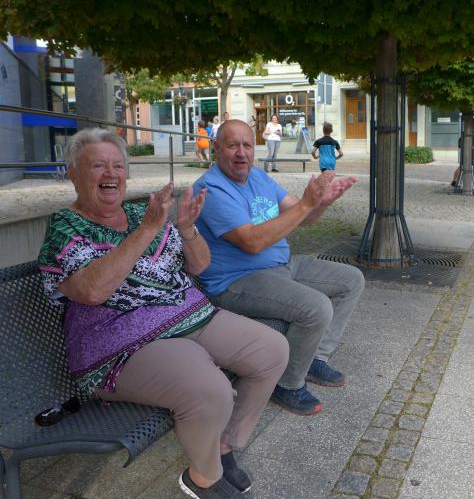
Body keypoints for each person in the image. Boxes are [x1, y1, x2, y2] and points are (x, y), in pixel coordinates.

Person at [37, 128, 290, 499]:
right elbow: (93, 291)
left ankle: (222, 447)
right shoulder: (66, 226)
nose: (111, 174)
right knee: (211, 390)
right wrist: (146, 230)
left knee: (272, 351)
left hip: (187, 314)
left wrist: (186, 229)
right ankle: (203, 478)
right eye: (98, 166)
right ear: (73, 173)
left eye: (118, 166)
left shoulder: (140, 212)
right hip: (121, 343)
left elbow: (199, 265)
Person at [193, 120, 365, 416]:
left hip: (282, 264)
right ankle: (287, 383)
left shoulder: (259, 177)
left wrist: (320, 203)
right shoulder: (211, 189)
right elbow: (252, 242)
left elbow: (303, 217)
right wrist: (306, 204)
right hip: (237, 280)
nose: (241, 153)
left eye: (247, 145)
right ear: (217, 149)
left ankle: (313, 359)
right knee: (316, 307)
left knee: (351, 280)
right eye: (232, 145)